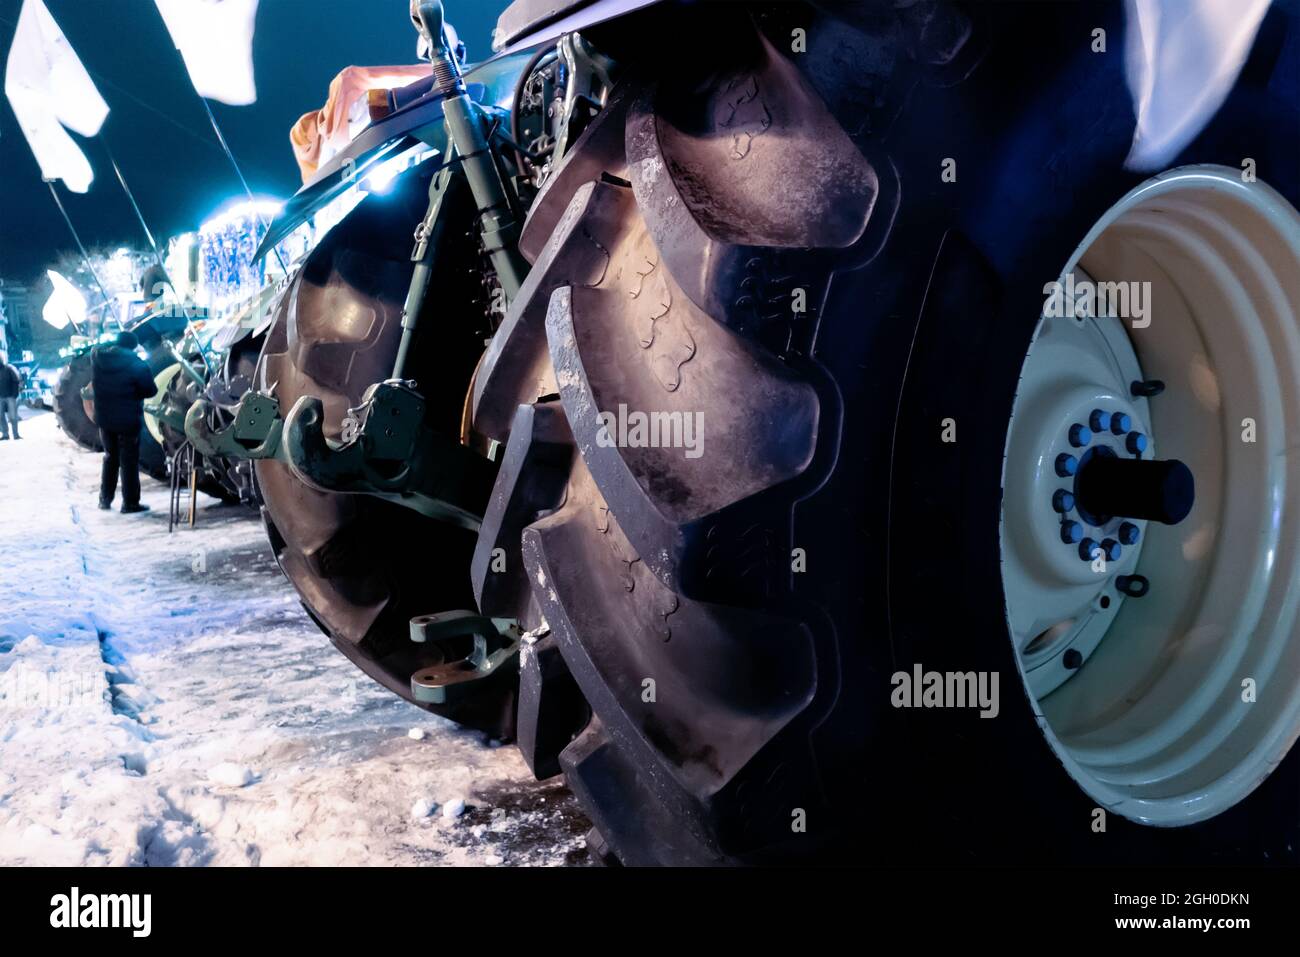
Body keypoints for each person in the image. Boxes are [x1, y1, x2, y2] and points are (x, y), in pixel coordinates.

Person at [90, 331, 156, 513]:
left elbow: (96, 347)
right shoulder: (136, 364)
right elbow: (150, 390)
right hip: (127, 420)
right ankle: (130, 503)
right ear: (133, 346)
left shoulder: (97, 358)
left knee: (110, 457)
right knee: (128, 461)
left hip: (105, 418)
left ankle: (105, 499)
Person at [0, 352, 20, 440]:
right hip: (0, 397)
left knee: (12, 417)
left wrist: (14, 394)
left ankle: (15, 434)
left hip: (10, 396)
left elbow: (15, 381)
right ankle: (5, 434)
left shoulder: (9, 369)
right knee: (0, 417)